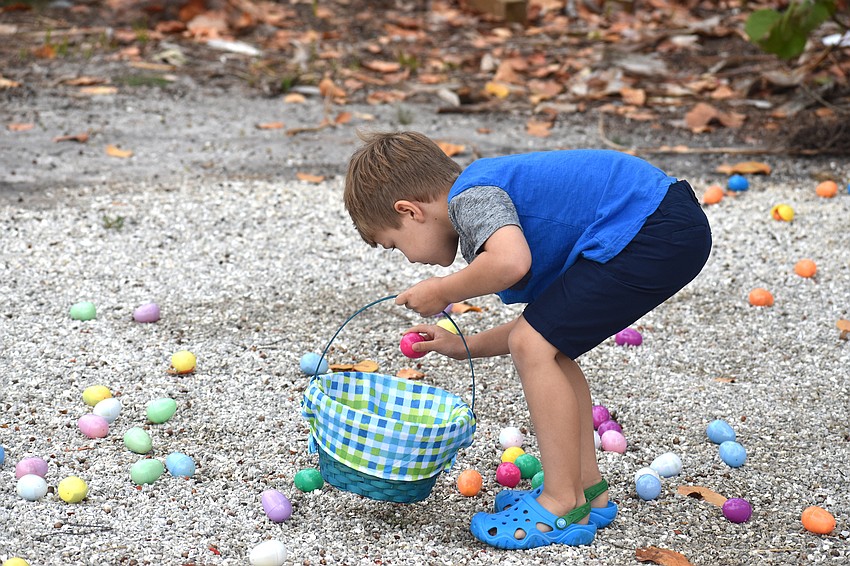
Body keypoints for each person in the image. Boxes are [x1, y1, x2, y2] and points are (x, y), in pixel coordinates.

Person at [343, 131, 712, 550]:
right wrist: (462, 345)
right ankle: (588, 493)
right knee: (549, 347)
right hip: (657, 223)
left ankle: (558, 504)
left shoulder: (472, 198)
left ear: (409, 211)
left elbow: (511, 264)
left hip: (650, 224)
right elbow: (534, 328)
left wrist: (443, 290)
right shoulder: (492, 208)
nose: (408, 259)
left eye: (395, 245)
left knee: (537, 347)